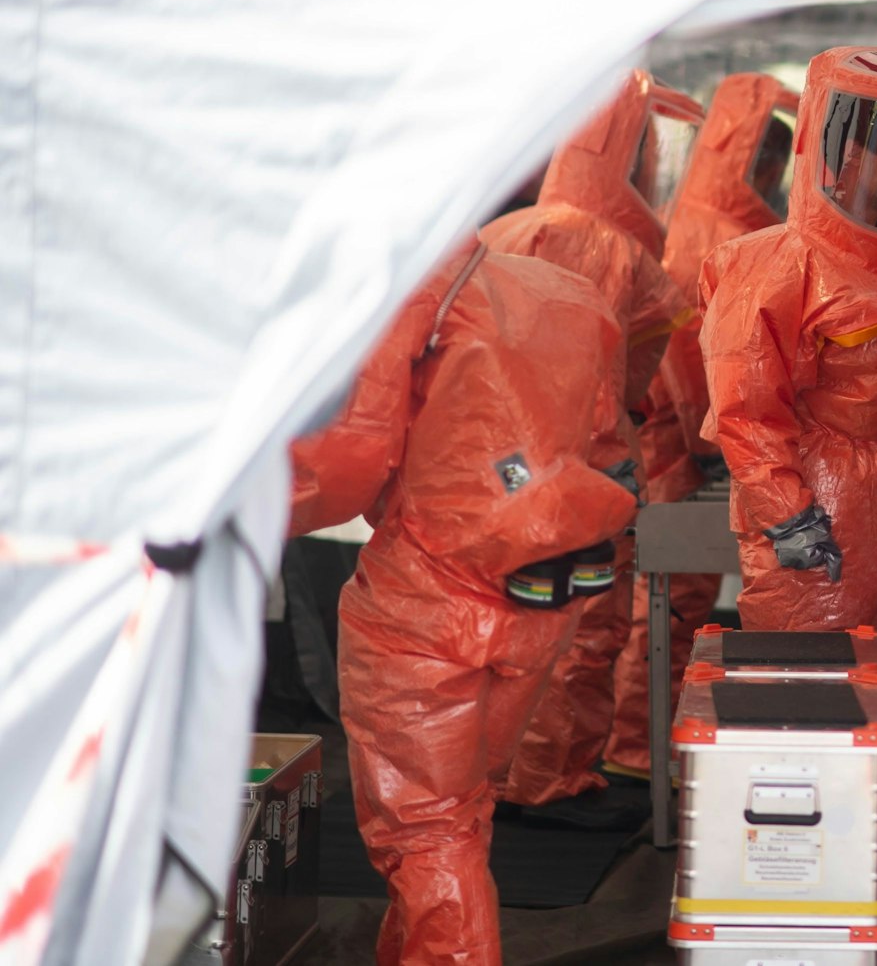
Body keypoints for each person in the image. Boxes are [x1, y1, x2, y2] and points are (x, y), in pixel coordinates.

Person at [288, 242, 638, 965]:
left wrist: (220, 511)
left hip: (429, 603)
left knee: (427, 831)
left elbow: (344, 461)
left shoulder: (413, 289)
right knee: (461, 816)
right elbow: (609, 444)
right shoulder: (568, 292)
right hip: (538, 597)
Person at [699, 46, 877, 923]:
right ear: (847, 151)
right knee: (812, 704)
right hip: (819, 513)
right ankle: (802, 891)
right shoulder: (775, 264)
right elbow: (746, 411)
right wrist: (789, 515)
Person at [482, 70, 691, 827]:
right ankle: (551, 774)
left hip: (499, 465)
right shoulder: (617, 251)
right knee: (584, 622)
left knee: (508, 619)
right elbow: (618, 376)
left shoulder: (505, 230)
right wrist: (615, 461)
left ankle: (502, 769)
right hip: (582, 465)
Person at [604, 73, 798, 781]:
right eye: (770, 163)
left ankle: (639, 745)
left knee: (660, 602)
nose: (776, 180)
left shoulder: (703, 221)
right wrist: (712, 448)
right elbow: (689, 354)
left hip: (672, 433)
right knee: (667, 602)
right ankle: (635, 753)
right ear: (754, 161)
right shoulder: (718, 233)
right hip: (675, 440)